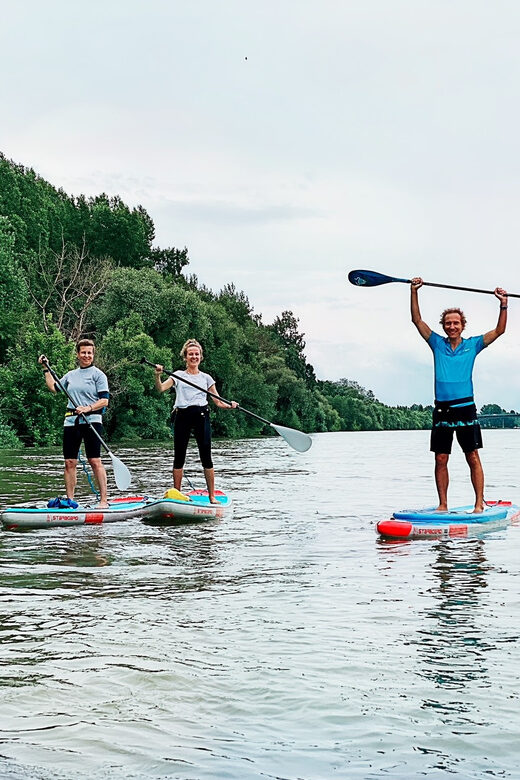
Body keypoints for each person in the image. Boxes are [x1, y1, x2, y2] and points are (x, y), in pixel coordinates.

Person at [410, 278, 508, 513]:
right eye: (447, 323)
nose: (451, 326)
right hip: (442, 409)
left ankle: (478, 506)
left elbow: (499, 330)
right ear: (443, 326)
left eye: (455, 323)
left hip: (466, 408)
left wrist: (503, 304)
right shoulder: (436, 343)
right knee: (441, 459)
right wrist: (414, 292)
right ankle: (443, 505)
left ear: (463, 325)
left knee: (472, 456)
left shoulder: (473, 345)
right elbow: (417, 320)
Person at [155, 339, 238, 503]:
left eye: (196, 354)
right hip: (182, 415)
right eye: (190, 354)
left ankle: (212, 496)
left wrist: (231, 406)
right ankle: (176, 495)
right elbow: (161, 389)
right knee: (179, 455)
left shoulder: (206, 378)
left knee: (206, 456)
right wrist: (157, 375)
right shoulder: (178, 375)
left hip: (201, 415)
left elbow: (219, 402)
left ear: (201, 357)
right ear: (185, 357)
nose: (194, 357)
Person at [39, 339, 110, 508]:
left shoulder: (98, 375)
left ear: (93, 355)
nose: (86, 355)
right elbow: (54, 388)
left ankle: (103, 501)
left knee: (94, 460)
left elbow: (104, 401)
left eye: (89, 353)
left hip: (91, 420)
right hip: (71, 422)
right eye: (83, 352)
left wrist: (88, 408)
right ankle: (70, 501)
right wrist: (45, 369)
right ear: (78, 354)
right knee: (70, 462)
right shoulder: (71, 375)